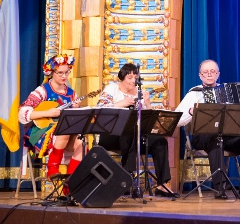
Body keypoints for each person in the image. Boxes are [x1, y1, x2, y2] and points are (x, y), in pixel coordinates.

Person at [175, 59, 240, 199]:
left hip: (228, 135)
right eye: (205, 72)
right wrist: (190, 111)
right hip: (202, 136)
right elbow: (178, 121)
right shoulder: (193, 94)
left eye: (212, 71)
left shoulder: (229, 91)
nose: (209, 74)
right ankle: (220, 188)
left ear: (218, 74)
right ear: (200, 76)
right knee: (215, 139)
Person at [96, 63, 179, 198]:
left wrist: (147, 103)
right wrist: (121, 104)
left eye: (135, 77)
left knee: (159, 141)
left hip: (134, 135)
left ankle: (162, 184)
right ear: (122, 78)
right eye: (129, 77)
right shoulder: (112, 88)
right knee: (129, 135)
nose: (133, 80)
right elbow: (100, 109)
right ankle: (126, 181)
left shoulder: (139, 92)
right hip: (111, 135)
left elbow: (147, 121)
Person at [18, 54, 83, 182]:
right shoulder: (43, 90)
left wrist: (76, 109)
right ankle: (52, 168)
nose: (64, 76)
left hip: (64, 132)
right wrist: (48, 112)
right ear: (51, 73)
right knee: (64, 130)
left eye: (66, 72)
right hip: (43, 132)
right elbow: (22, 112)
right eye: (60, 73)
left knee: (82, 144)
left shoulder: (72, 93)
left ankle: (70, 182)